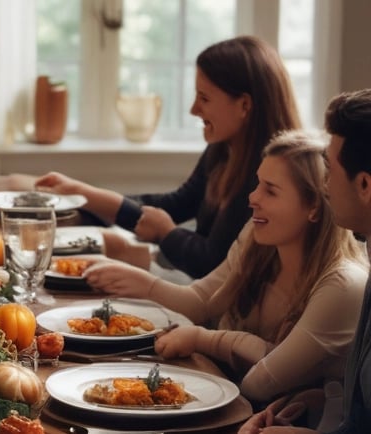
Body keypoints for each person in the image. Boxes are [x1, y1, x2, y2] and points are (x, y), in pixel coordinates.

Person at [84, 130, 367, 406]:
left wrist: (205, 338)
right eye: (258, 184)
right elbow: (200, 302)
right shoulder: (257, 239)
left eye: (270, 191)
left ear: (314, 207)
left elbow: (259, 384)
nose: (253, 198)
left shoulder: (342, 286)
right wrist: (139, 281)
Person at [35, 36, 301, 278]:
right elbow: (176, 204)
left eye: (204, 98)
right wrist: (84, 194)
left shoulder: (267, 177)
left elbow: (212, 261)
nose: (194, 109)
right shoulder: (224, 149)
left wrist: (166, 233)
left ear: (244, 105)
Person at [239, 89, 371, 434]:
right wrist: (322, 400)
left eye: (330, 169)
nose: (325, 186)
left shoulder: (347, 281)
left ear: (365, 185)